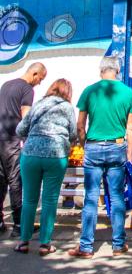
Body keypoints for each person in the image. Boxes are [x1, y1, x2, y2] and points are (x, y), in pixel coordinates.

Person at [68, 56, 132, 259]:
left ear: (101, 71)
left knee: (90, 197)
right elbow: (130, 127)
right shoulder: (127, 92)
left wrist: (83, 144)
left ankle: (86, 246)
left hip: (94, 147)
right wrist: (130, 154)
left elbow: (80, 125)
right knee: (116, 196)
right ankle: (118, 244)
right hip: (117, 147)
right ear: (117, 71)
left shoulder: (90, 90)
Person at [13, 78, 77, 255]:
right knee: (50, 200)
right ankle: (45, 244)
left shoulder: (38, 105)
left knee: (29, 200)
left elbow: (20, 130)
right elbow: (72, 134)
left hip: (31, 154)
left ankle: (23, 242)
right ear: (67, 92)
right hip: (55, 155)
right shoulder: (67, 107)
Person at [0, 62, 47, 237]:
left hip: (0, 138)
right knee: (15, 182)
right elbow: (25, 117)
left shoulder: (6, 84)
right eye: (40, 79)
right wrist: (28, 140)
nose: (39, 83)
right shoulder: (27, 89)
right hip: (12, 140)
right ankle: (20, 225)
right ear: (34, 74)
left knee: (1, 181)